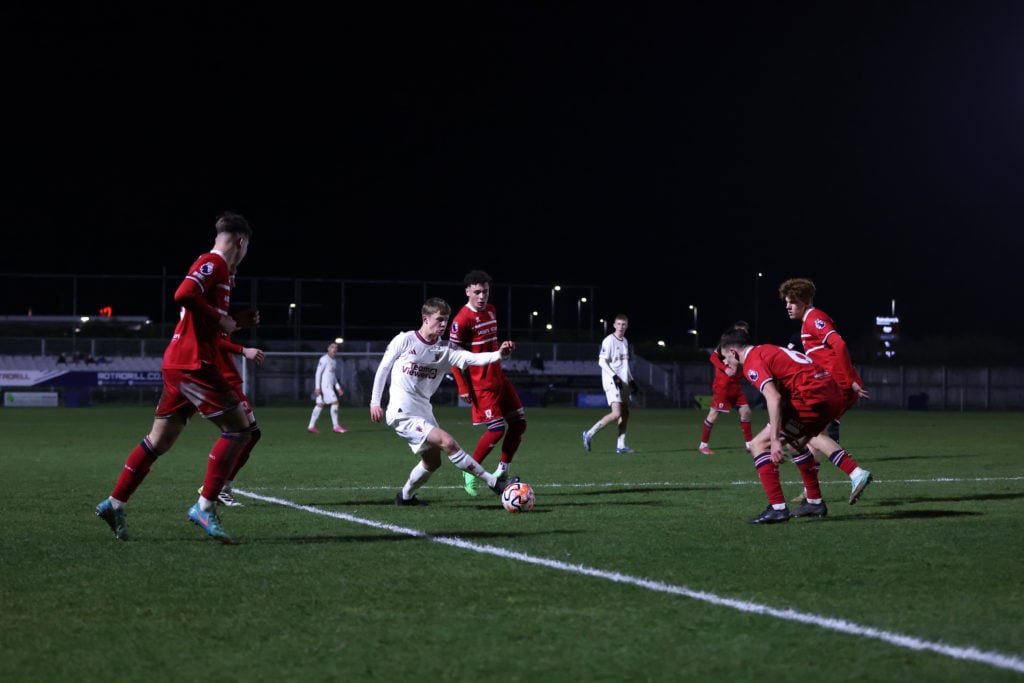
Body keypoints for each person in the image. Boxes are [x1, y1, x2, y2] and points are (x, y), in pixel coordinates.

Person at [94, 211, 258, 544]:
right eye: (246, 247)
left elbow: (204, 319)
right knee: (241, 429)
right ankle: (205, 505)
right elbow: (182, 294)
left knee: (159, 441)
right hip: (193, 364)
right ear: (241, 242)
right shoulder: (215, 264)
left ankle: (114, 503)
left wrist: (233, 322)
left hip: (180, 362)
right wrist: (221, 317)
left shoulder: (212, 265)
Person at [369, 297, 520, 506]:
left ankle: (404, 497)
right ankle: (494, 483)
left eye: (446, 320)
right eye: (439, 319)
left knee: (432, 462)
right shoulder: (404, 340)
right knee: (448, 442)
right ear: (425, 319)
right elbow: (383, 368)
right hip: (401, 412)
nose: (443, 325)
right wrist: (375, 402)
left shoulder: (446, 350)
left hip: (423, 412)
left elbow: (473, 359)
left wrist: (499, 354)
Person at [717, 326, 873, 524]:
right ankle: (815, 501)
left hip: (813, 397)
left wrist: (774, 440)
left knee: (759, 445)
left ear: (733, 352)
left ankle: (777, 508)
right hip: (831, 394)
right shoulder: (766, 350)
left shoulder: (752, 362)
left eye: (725, 357)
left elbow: (773, 397)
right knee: (796, 443)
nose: (725, 362)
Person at [779, 277, 871, 502]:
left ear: (806, 301)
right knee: (805, 436)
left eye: (793, 302)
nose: (788, 306)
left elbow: (839, 345)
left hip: (836, 386)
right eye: (786, 302)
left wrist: (850, 380)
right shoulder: (807, 324)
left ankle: (855, 473)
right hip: (833, 386)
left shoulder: (814, 318)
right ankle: (812, 490)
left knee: (812, 434)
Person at [449, 270, 527, 497]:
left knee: (520, 424)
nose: (482, 296)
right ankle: (470, 471)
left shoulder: (492, 311)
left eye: (485, 291)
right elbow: (452, 358)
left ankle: (502, 472)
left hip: (498, 377)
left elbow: (491, 348)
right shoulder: (461, 320)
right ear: (467, 292)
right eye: (477, 292)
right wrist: (462, 386)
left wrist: (504, 350)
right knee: (496, 430)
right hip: (480, 384)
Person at [196, 288, 265, 507]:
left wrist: (238, 322)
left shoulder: (217, 312)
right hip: (221, 380)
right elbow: (215, 341)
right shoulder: (204, 312)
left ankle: (219, 487)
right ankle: (218, 488)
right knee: (241, 434)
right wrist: (243, 350)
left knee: (250, 434)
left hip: (229, 380)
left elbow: (223, 333)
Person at [582, 313, 638, 454]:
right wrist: (614, 377)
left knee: (625, 413)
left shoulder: (625, 341)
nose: (621, 327)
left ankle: (620, 445)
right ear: (614, 325)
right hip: (612, 381)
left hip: (623, 381)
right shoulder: (609, 340)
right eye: (618, 324)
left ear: (627, 326)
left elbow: (625, 365)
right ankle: (589, 433)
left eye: (623, 324)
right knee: (616, 413)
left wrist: (631, 381)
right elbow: (602, 361)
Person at [698, 321, 754, 455]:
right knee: (714, 414)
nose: (742, 332)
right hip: (723, 385)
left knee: (746, 412)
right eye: (740, 329)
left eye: (744, 330)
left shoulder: (746, 346)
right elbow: (713, 357)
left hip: (735, 386)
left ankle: (749, 445)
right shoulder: (726, 345)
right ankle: (703, 445)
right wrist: (725, 368)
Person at [308, 341, 347, 433]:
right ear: (328, 349)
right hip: (324, 387)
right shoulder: (324, 359)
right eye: (332, 347)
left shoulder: (334, 361)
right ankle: (336, 426)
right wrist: (317, 387)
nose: (335, 349)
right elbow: (318, 373)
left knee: (320, 405)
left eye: (336, 347)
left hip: (329, 387)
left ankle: (311, 426)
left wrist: (338, 388)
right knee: (335, 402)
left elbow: (333, 377)